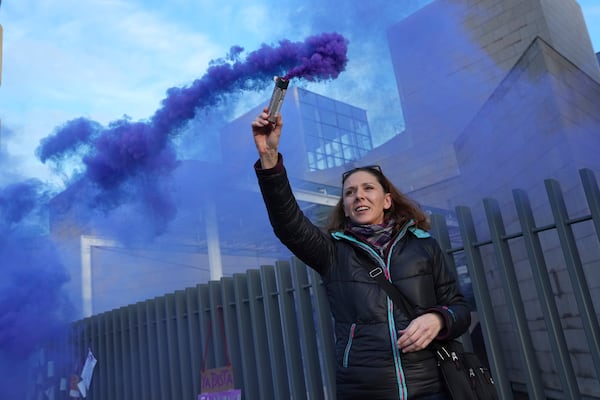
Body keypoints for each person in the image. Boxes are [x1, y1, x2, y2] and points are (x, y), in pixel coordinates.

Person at [251, 108, 471, 400]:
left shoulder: (423, 245)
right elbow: (287, 223)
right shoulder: (332, 252)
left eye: (368, 188)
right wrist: (269, 157)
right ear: (344, 206)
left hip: (433, 388)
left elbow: (459, 308)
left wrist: (439, 319)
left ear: (387, 200)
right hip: (364, 390)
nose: (359, 196)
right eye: (350, 192)